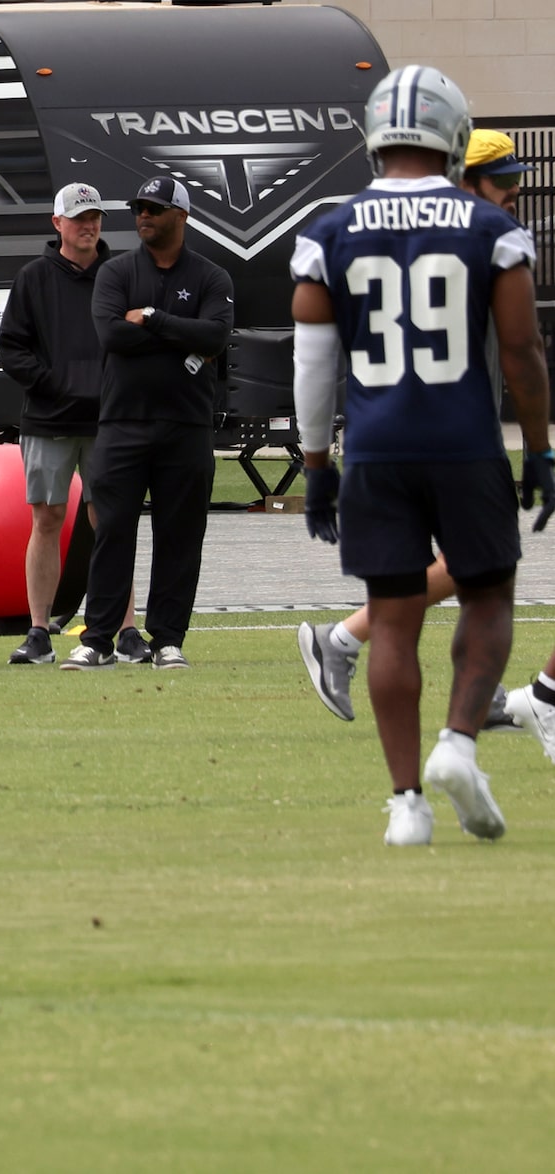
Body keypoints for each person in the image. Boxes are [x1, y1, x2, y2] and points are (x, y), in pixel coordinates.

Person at [285, 65, 552, 845]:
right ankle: (458, 743)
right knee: (487, 596)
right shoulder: (489, 229)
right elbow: (521, 351)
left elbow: (311, 364)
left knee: (393, 623)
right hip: (463, 443)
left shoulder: (325, 233)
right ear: (453, 135)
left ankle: (405, 804)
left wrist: (313, 464)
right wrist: (536, 449)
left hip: (374, 450)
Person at [305, 129, 528, 714]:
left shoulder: (401, 235)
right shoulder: (474, 239)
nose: (512, 197)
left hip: (405, 429)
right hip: (439, 431)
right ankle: (344, 638)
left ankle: (476, 690)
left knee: (473, 566)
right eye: (502, 183)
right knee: (471, 563)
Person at [76, 177, 234, 670]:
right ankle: (99, 639)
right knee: (113, 532)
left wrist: (151, 318)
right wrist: (181, 337)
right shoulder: (116, 272)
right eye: (140, 207)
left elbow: (215, 336)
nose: (143, 215)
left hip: (186, 426)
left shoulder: (212, 277)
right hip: (123, 424)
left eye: (155, 208)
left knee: (180, 536)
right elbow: (112, 335)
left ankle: (168, 639)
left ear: (181, 216)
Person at [0, 182, 112, 666]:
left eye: (95, 217)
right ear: (57, 223)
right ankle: (39, 631)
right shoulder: (34, 277)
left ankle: (119, 630)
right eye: (79, 217)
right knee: (46, 520)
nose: (89, 226)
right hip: (47, 420)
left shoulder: (120, 273)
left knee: (110, 522)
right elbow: (11, 347)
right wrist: (55, 384)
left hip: (109, 422)